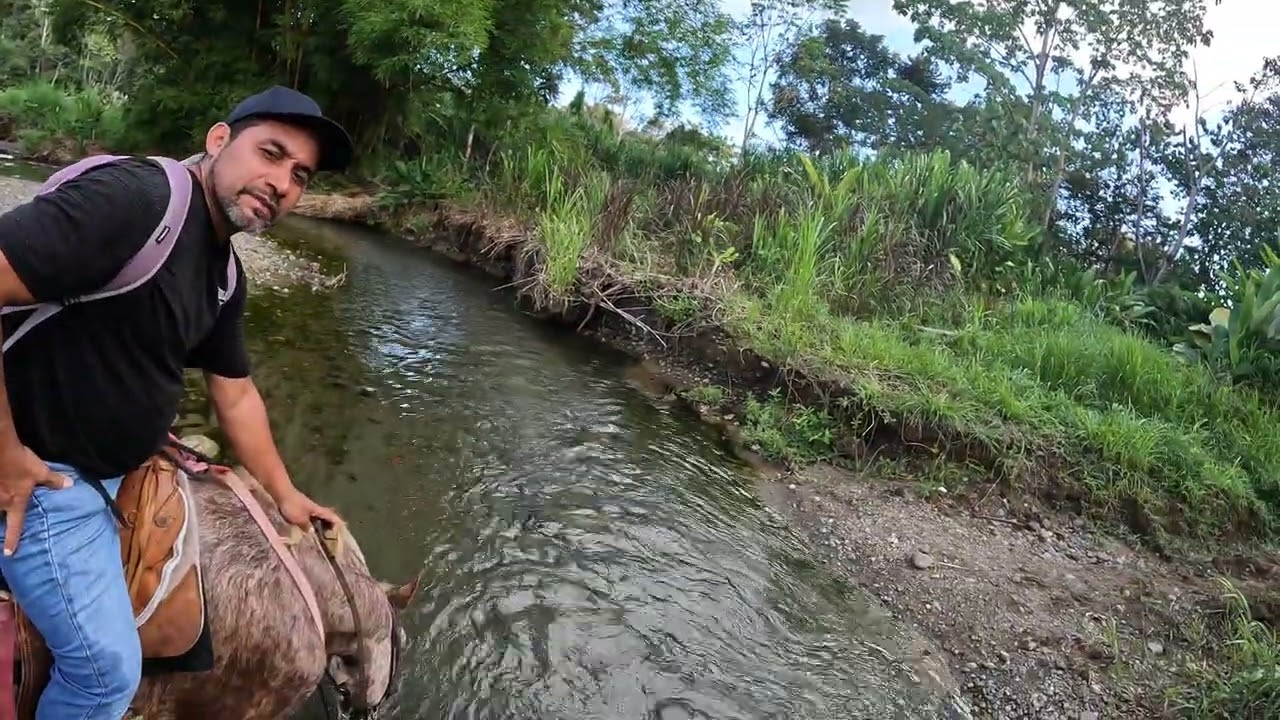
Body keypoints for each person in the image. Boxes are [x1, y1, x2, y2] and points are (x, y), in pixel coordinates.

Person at [0, 85, 353, 718]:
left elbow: (237, 393)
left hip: (113, 475)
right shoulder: (139, 204)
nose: (280, 182)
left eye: (299, 175)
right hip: (46, 476)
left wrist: (285, 493)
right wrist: (5, 456)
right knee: (106, 673)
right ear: (219, 140)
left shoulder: (224, 272)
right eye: (270, 154)